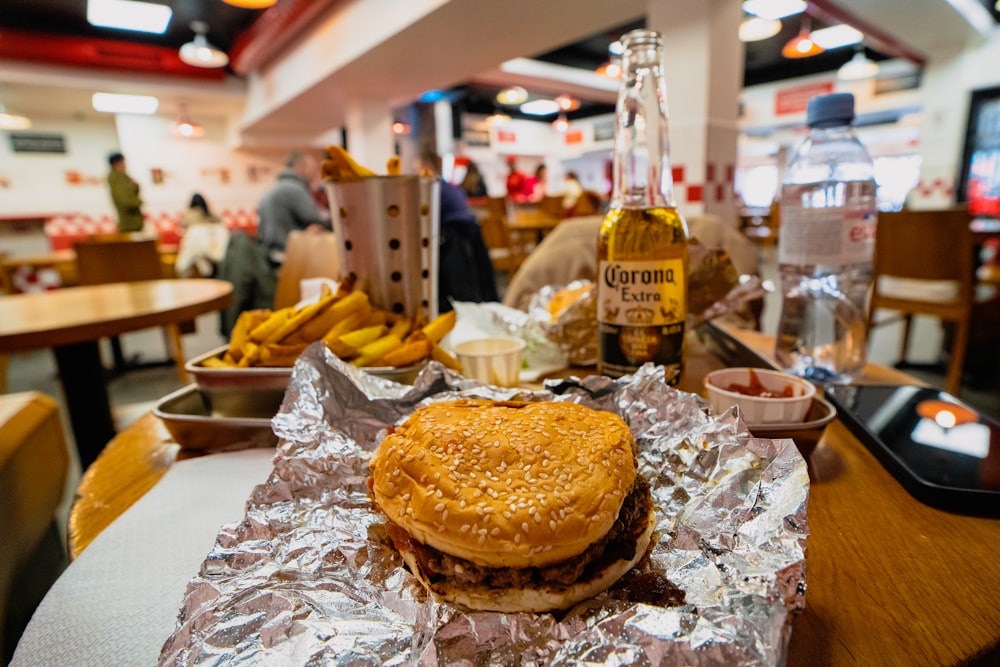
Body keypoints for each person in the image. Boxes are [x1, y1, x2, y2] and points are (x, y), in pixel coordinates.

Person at [417, 150, 498, 311]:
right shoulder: (451, 189)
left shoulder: (434, 190)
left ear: (426, 169)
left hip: (454, 244)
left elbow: (424, 222)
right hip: (470, 242)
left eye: (418, 169)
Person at [256, 150, 330, 266]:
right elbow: (316, 218)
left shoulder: (275, 188)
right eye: (312, 168)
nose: (316, 172)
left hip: (270, 253)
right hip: (287, 255)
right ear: (300, 167)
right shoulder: (295, 189)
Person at [175, 193, 230, 278]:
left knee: (187, 263)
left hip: (198, 245)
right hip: (216, 248)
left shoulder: (190, 215)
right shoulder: (211, 214)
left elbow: (182, 226)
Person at [106, 152, 144, 232]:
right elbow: (125, 201)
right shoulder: (117, 179)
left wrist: (135, 187)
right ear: (117, 163)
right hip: (129, 223)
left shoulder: (123, 178)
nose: (125, 165)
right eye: (123, 162)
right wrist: (139, 202)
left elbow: (130, 193)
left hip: (133, 222)